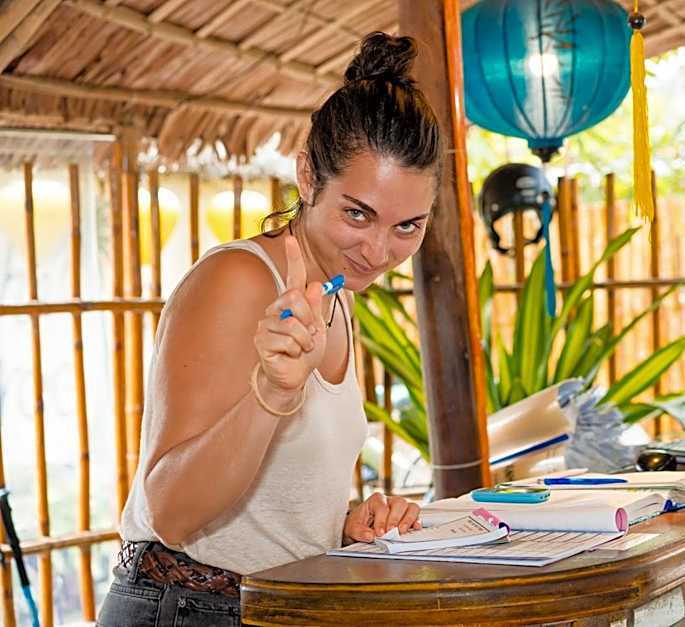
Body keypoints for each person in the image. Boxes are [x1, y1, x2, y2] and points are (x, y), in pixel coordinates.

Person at [97, 32, 442, 626]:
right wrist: (273, 393)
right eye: (357, 214)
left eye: (407, 226)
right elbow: (173, 511)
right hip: (188, 609)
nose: (380, 250)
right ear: (308, 177)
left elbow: (259, 503)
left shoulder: (336, 290)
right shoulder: (237, 280)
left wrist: (342, 520)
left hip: (274, 607)